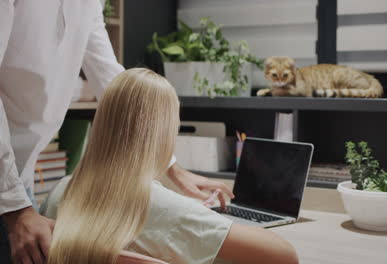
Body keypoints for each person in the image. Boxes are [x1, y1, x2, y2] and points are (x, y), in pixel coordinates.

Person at [0, 1, 233, 263]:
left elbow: (110, 78)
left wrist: (173, 169)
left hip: (19, 180)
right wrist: (17, 211)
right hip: (9, 189)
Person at [40, 68, 299, 264]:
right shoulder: (169, 209)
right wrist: (204, 218)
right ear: (163, 133)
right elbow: (285, 256)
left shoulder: (58, 193)